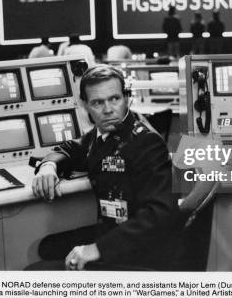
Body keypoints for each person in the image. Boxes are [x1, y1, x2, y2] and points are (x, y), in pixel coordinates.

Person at [28, 65, 183, 270]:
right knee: (46, 247)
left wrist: (97, 249)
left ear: (126, 98)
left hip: (139, 251)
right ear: (85, 106)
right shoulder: (100, 135)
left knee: (35, 271)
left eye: (114, 99)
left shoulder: (147, 143)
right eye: (98, 102)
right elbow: (71, 148)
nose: (108, 109)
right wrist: (48, 165)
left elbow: (159, 214)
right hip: (112, 232)